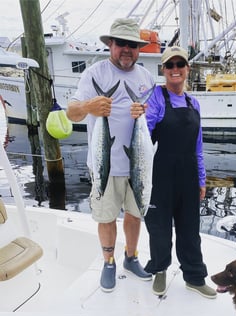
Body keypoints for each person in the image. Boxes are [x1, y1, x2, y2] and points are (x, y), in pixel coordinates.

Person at [66, 18, 154, 293]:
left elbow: (153, 116)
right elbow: (71, 112)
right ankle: (108, 262)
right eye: (121, 44)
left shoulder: (146, 77)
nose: (127, 49)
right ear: (110, 45)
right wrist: (90, 105)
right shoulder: (94, 73)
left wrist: (145, 114)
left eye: (132, 45)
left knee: (135, 213)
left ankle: (131, 257)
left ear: (138, 49)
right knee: (105, 216)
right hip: (105, 163)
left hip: (138, 163)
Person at [131, 46, 216, 299]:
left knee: (190, 229)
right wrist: (140, 115)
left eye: (180, 65)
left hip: (188, 176)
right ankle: (159, 269)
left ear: (188, 69)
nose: (175, 69)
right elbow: (144, 132)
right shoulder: (155, 97)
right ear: (164, 70)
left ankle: (194, 277)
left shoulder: (194, 102)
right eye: (170, 65)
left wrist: (202, 179)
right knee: (159, 229)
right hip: (160, 175)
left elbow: (198, 145)